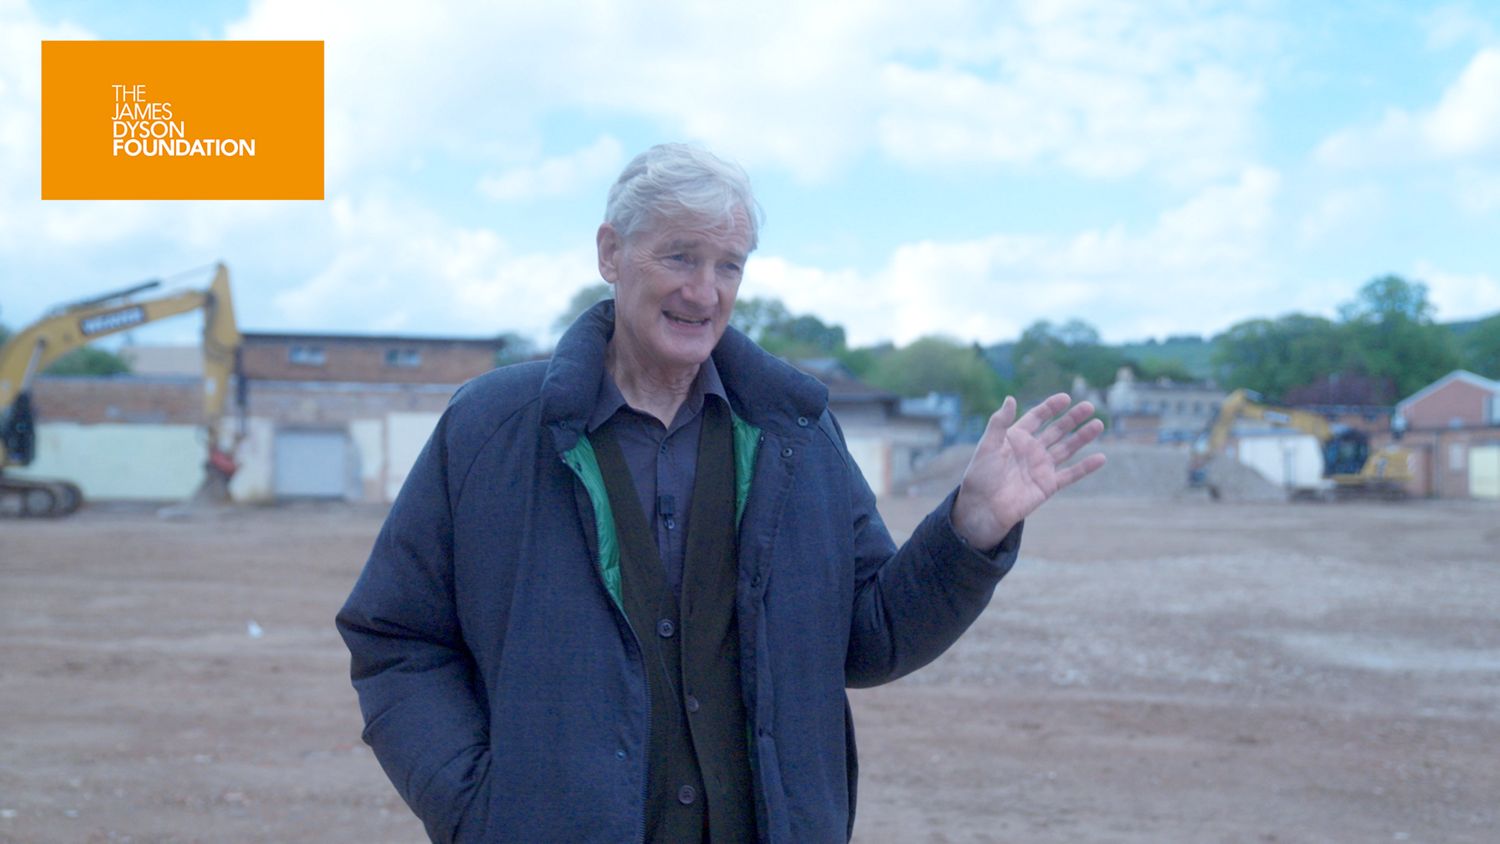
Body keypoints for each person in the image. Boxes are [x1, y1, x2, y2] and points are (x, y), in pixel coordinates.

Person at [336, 143, 1105, 843]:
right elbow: (396, 636)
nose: (704, 291)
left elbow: (870, 637)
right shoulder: (491, 429)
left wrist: (969, 530)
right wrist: (478, 810)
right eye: (680, 256)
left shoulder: (797, 434)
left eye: (728, 265)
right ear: (611, 252)